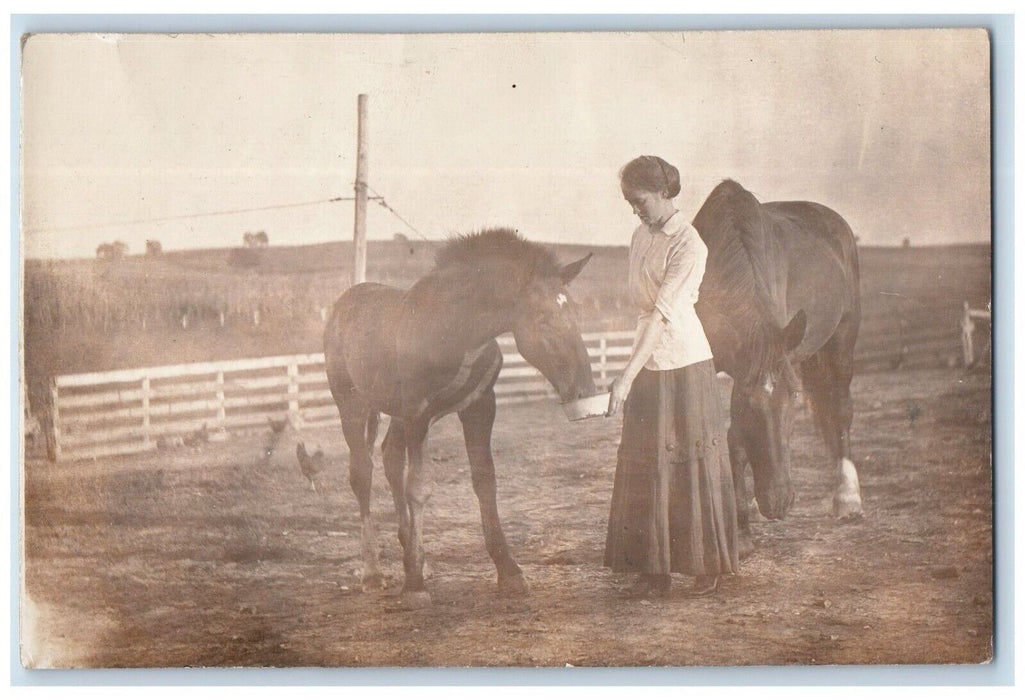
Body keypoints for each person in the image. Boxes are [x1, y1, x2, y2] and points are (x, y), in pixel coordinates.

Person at [604, 155, 739, 598]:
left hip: (683, 363)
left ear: (663, 192)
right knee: (648, 462)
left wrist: (624, 378)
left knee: (689, 460)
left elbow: (664, 315)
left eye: (639, 200)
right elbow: (642, 310)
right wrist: (634, 369)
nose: (635, 209)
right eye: (628, 202)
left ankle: (708, 566)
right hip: (648, 361)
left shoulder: (690, 244)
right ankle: (654, 570)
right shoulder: (639, 237)